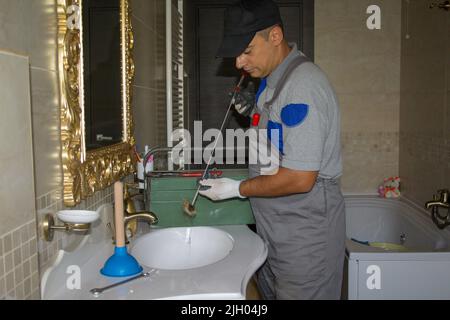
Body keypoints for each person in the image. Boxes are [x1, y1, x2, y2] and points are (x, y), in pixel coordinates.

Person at [199, 0, 346, 300]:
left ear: (275, 37)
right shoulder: (270, 82)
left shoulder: (302, 85)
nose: (238, 63)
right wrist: (253, 111)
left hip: (305, 242)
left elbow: (300, 177)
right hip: (276, 234)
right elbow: (277, 147)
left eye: (246, 50)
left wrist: (239, 188)